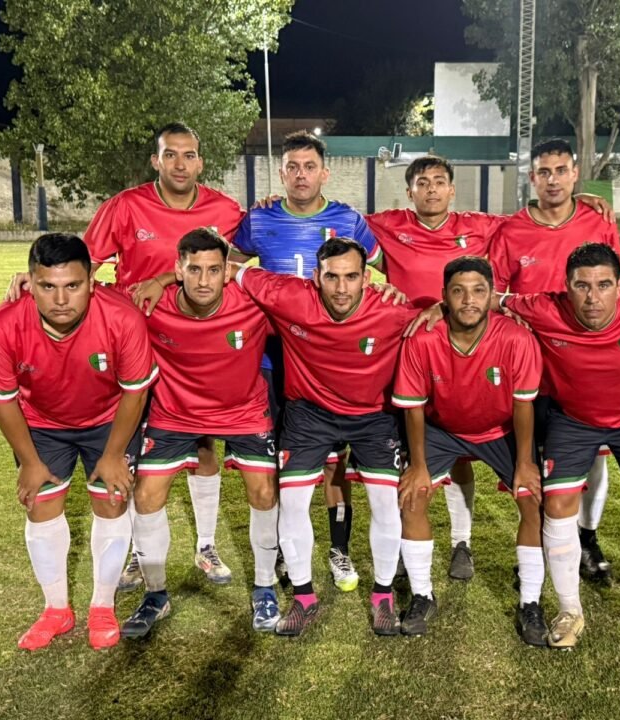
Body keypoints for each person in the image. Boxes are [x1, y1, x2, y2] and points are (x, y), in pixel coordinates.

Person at [6, 123, 247, 589]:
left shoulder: (225, 210)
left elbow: (233, 264)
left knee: (203, 446)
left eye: (189, 155)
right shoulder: (125, 206)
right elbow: (84, 264)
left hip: (196, 345)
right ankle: (138, 552)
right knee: (134, 448)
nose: (180, 164)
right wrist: (33, 278)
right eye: (170, 154)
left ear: (201, 162)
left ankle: (206, 546)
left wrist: (165, 280)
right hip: (132, 343)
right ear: (156, 160)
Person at [368, 153, 616, 581]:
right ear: (409, 191)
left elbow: (536, 218)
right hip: (416, 350)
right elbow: (337, 223)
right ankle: (437, 545)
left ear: (452, 189)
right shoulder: (387, 225)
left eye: (439, 181)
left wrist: (580, 200)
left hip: (510, 347)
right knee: (437, 449)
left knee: (566, 451)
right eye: (422, 182)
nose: (431, 189)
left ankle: (574, 539)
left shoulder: (484, 226)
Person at [0, 233, 156, 650]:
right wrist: (29, 461)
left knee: (111, 500)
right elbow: (1, 400)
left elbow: (135, 392)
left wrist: (114, 455)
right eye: (47, 286)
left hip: (109, 419)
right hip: (41, 423)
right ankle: (56, 609)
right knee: (40, 505)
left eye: (72, 285)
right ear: (29, 283)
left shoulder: (122, 318)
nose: (60, 299)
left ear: (92, 281)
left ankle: (102, 605)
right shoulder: (4, 325)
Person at [235, 237, 424, 637]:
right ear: (315, 277)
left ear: (367, 278)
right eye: (332, 277)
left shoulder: (392, 309)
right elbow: (228, 270)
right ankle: (304, 598)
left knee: (385, 503)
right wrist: (163, 279)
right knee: (292, 503)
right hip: (309, 414)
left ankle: (383, 596)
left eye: (351, 277)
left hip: (373, 416)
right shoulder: (289, 295)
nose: (341, 288)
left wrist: (440, 308)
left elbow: (447, 312)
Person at [499, 243, 620, 652]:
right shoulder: (543, 307)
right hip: (573, 421)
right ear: (566, 286)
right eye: (581, 286)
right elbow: (486, 299)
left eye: (603, 285)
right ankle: (570, 610)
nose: (592, 297)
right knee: (557, 505)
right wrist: (437, 307)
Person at [231, 131, 383, 593]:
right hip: (272, 359)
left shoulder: (348, 219)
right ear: (281, 173)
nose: (301, 175)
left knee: (335, 460)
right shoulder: (258, 219)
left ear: (325, 172)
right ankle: (285, 549)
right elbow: (228, 266)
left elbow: (380, 270)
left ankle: (339, 549)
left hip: (327, 359)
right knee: (281, 460)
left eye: (309, 166)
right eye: (293, 167)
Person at [120, 229, 280, 639]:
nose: (204, 280)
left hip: (244, 412)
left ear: (227, 272)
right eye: (194, 270)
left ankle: (264, 588)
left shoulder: (252, 304)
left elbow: (310, 301)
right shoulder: (152, 303)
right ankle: (156, 595)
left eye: (213, 270)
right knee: (146, 496)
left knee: (264, 492)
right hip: (175, 413)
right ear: (178, 270)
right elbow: (92, 295)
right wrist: (30, 285)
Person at [393, 257, 547, 645]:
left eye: (479, 291)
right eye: (458, 291)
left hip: (500, 430)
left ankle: (530, 601)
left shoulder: (516, 338)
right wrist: (418, 464)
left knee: (532, 498)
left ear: (492, 295)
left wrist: (524, 462)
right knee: (412, 497)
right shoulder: (422, 338)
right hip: (442, 429)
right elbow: (413, 407)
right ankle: (422, 595)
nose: (468, 300)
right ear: (443, 296)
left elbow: (523, 405)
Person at [490, 139, 620, 580]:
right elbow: (495, 297)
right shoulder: (511, 231)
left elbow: (616, 286)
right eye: (544, 172)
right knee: (534, 458)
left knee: (594, 456)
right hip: (534, 367)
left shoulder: (597, 221)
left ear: (574, 173)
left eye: (561, 170)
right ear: (532, 178)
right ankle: (537, 541)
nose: (553, 180)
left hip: (589, 364)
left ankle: (586, 537)